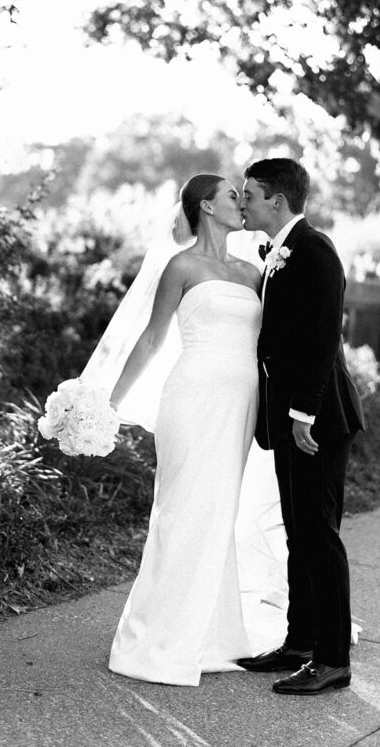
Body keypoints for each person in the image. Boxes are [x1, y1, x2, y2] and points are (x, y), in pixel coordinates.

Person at [106, 173, 263, 686]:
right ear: (206, 207)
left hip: (240, 403)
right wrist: (108, 403)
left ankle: (213, 638)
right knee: (182, 511)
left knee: (220, 513)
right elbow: (152, 340)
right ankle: (157, 640)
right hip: (191, 399)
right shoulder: (182, 265)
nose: (243, 203)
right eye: (234, 197)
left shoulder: (254, 271)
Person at [237, 158, 366, 696]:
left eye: (248, 194)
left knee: (319, 536)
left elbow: (322, 340)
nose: (241, 202)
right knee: (299, 533)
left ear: (277, 200)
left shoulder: (313, 250)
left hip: (316, 420)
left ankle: (332, 660)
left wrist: (302, 414)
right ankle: (300, 642)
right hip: (293, 418)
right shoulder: (277, 253)